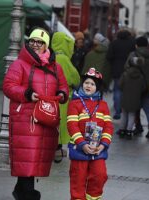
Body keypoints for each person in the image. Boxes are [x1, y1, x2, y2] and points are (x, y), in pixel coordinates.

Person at [3, 27, 69, 200]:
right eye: (32, 41)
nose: (35, 45)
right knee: (28, 154)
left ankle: (21, 190)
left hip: (46, 117)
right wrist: (26, 94)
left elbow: (63, 86)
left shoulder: (56, 67)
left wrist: (62, 94)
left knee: (37, 156)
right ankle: (27, 193)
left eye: (40, 42)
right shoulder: (19, 64)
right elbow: (8, 86)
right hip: (25, 116)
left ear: (46, 45)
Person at [67, 68, 113, 200]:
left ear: (97, 88)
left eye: (92, 84)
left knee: (100, 176)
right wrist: (82, 144)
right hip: (79, 150)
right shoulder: (74, 104)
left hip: (98, 150)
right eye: (86, 82)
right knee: (78, 181)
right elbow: (72, 126)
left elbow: (108, 127)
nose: (88, 86)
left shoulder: (103, 105)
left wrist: (104, 145)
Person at [51, 32, 80, 162]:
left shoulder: (50, 56)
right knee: (61, 123)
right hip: (63, 96)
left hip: (50, 94)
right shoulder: (63, 59)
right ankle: (56, 150)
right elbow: (75, 78)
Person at [106, 29, 135, 119]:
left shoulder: (114, 43)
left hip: (116, 70)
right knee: (126, 91)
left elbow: (109, 56)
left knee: (117, 90)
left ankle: (117, 111)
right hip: (128, 70)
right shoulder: (131, 43)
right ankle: (125, 110)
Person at [117, 54, 146, 140]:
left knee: (124, 114)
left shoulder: (125, 74)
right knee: (132, 115)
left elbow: (120, 85)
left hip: (125, 96)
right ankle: (129, 131)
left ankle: (122, 130)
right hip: (135, 98)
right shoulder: (140, 76)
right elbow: (143, 88)